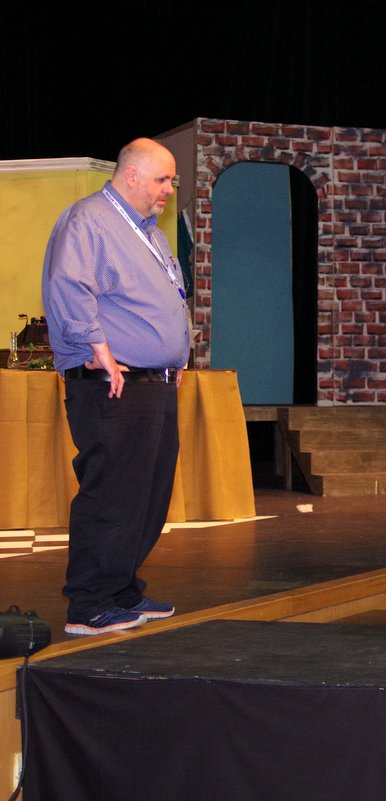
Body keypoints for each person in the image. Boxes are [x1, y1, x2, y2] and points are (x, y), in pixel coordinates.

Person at [42, 138, 191, 636]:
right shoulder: (88, 220)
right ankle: (89, 604)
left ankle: (121, 589)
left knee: (147, 494)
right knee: (112, 493)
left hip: (153, 384)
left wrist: (175, 354)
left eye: (171, 180)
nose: (168, 189)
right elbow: (68, 285)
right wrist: (96, 345)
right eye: (162, 179)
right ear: (131, 176)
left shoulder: (148, 232)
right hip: (114, 383)